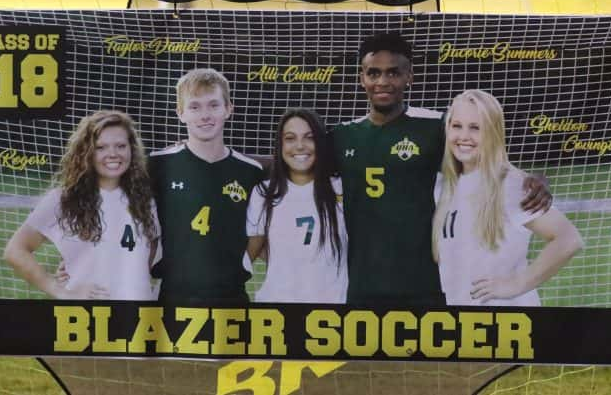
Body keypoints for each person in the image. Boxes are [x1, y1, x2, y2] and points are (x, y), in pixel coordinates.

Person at [331, 32, 551, 306]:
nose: (383, 82)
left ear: (409, 76)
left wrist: (531, 178)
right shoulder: (342, 136)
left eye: (393, 73)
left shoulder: (435, 127)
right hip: (363, 282)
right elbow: (292, 160)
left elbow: (484, 151)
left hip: (427, 283)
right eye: (373, 73)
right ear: (361, 77)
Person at [433, 90, 583, 306]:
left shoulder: (511, 186)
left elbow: (568, 239)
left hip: (510, 324)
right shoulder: (441, 186)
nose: (464, 136)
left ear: (493, 132)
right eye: (457, 126)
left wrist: (517, 284)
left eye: (475, 127)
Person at [4, 110, 160, 300]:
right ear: (87, 152)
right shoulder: (62, 200)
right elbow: (15, 250)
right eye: (101, 147)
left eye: (120, 146)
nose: (113, 154)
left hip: (140, 318)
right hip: (87, 318)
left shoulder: (146, 200)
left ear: (131, 149)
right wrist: (59, 290)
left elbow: (148, 257)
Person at [150, 68, 264, 305]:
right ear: (180, 113)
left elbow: (261, 232)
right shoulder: (157, 165)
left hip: (231, 298)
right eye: (195, 107)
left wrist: (240, 264)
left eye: (213, 105)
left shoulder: (251, 172)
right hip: (172, 297)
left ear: (228, 109)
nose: (205, 115)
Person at [246, 108, 348, 303]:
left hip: (331, 313)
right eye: (290, 138)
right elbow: (248, 256)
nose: (300, 146)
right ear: (280, 145)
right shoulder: (263, 194)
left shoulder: (341, 189)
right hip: (275, 312)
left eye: (309, 137)